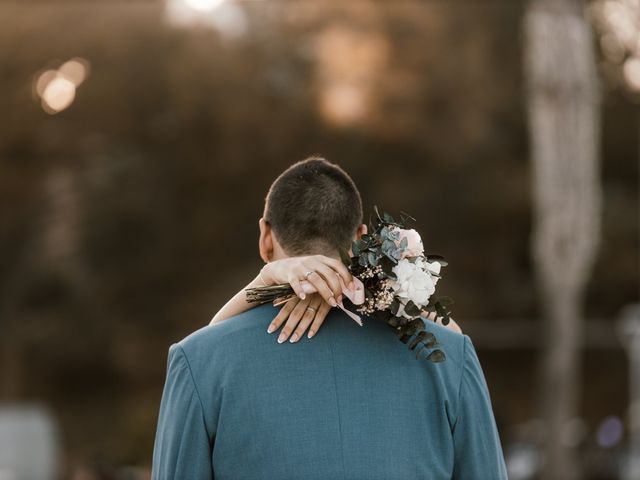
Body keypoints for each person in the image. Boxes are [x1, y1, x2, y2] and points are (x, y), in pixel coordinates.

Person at [152, 157, 508, 479]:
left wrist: (259, 286)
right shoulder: (449, 354)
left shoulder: (199, 360)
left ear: (265, 237)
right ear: (362, 240)